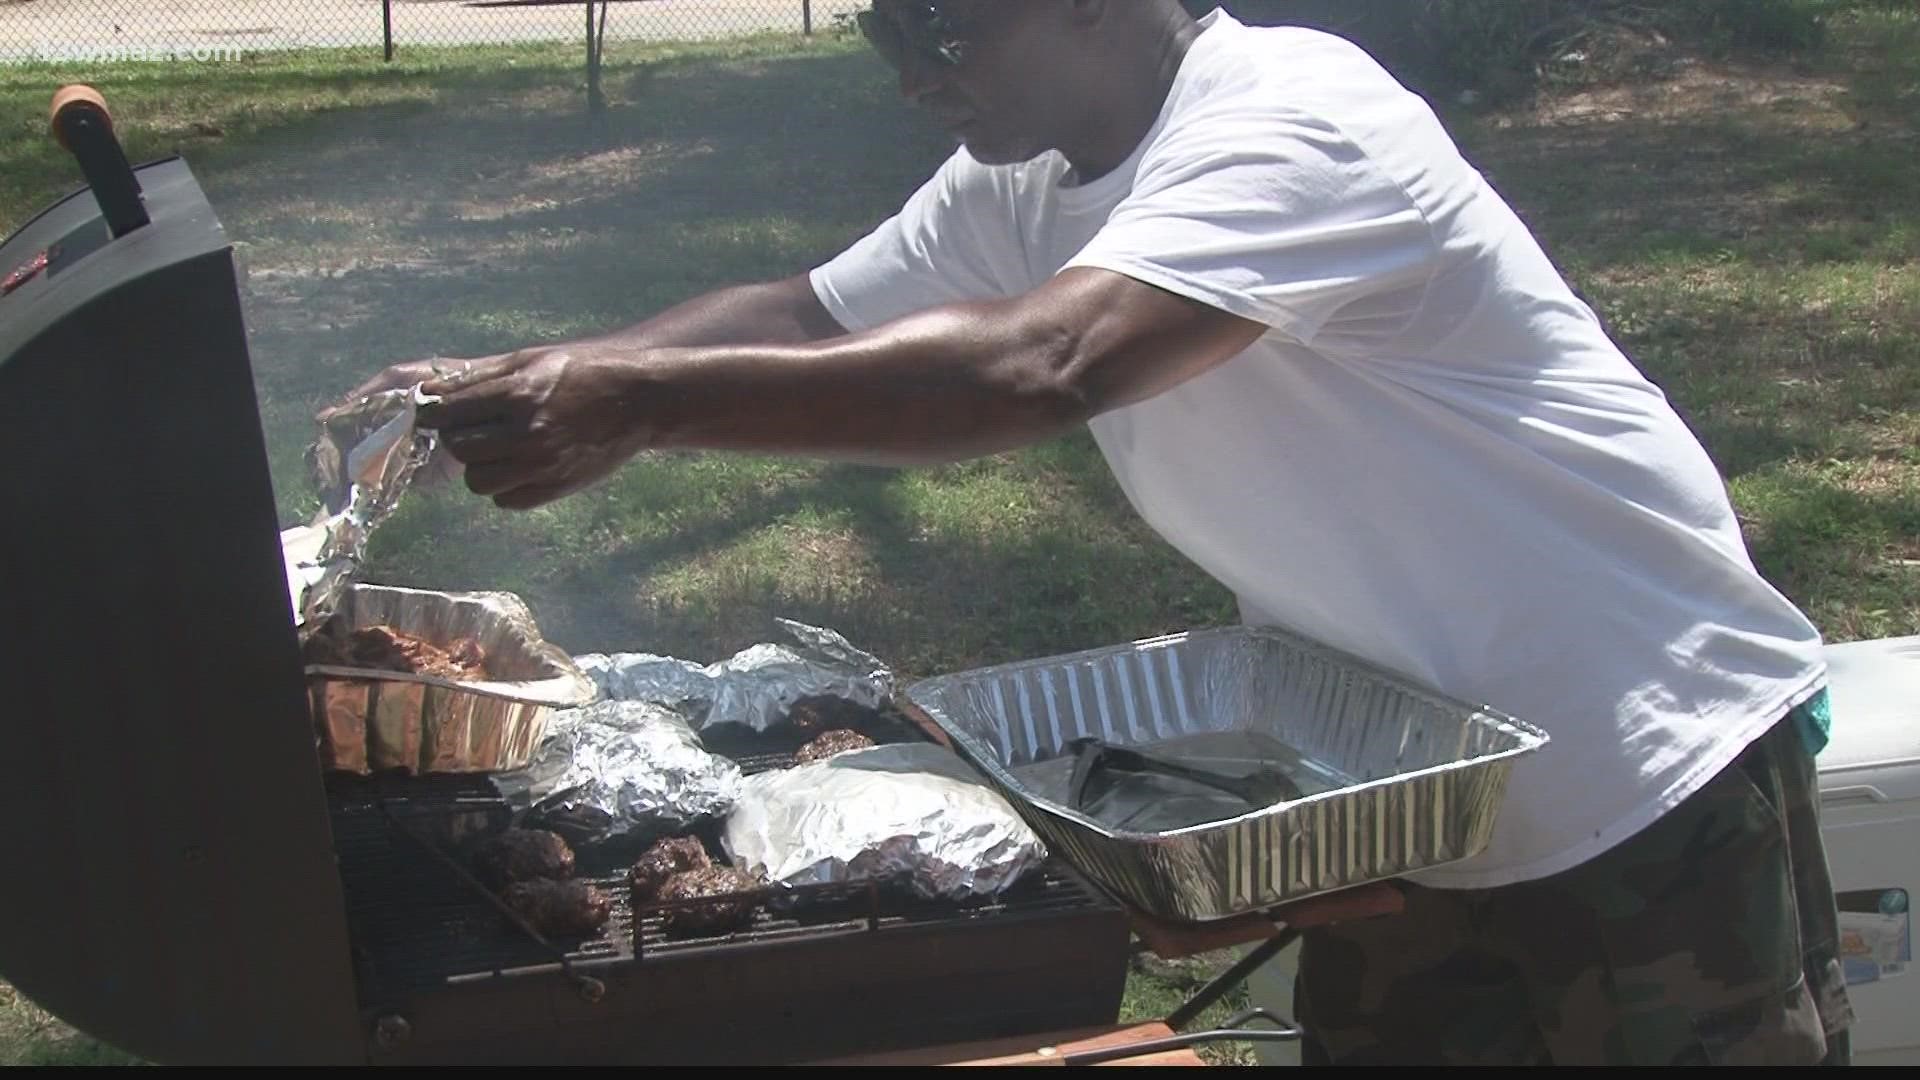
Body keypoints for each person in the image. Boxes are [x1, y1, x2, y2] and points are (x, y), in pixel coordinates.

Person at [329, 0, 1854, 1064]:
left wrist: (640, 402)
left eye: (941, 25)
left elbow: (1043, 367)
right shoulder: (1026, 177)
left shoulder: (1295, 121)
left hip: (1633, 762)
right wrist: (531, 376)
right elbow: (810, 312)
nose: (916, 75)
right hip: (1405, 777)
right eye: (885, 30)